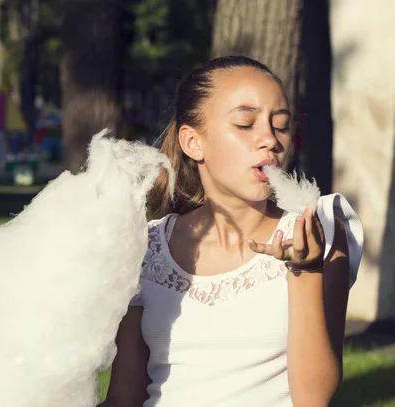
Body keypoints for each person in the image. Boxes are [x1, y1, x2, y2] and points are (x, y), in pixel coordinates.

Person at [99, 56, 363, 407]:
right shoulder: (145, 248)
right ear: (193, 143)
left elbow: (314, 397)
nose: (269, 139)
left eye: (281, 125)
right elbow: (124, 398)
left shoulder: (320, 230)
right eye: (245, 124)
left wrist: (305, 270)